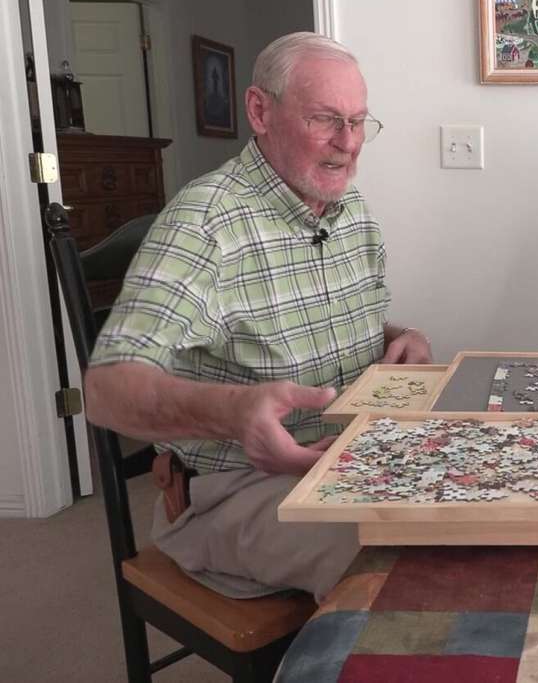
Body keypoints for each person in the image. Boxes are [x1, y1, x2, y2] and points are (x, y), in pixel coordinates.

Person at [84, 32, 430, 602]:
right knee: (397, 564)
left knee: (476, 519)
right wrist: (234, 412)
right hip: (232, 489)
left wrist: (403, 337)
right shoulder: (203, 223)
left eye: (359, 121)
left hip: (348, 462)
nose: (348, 144)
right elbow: (106, 390)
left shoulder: (355, 215)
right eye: (325, 119)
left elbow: (323, 323)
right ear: (260, 110)